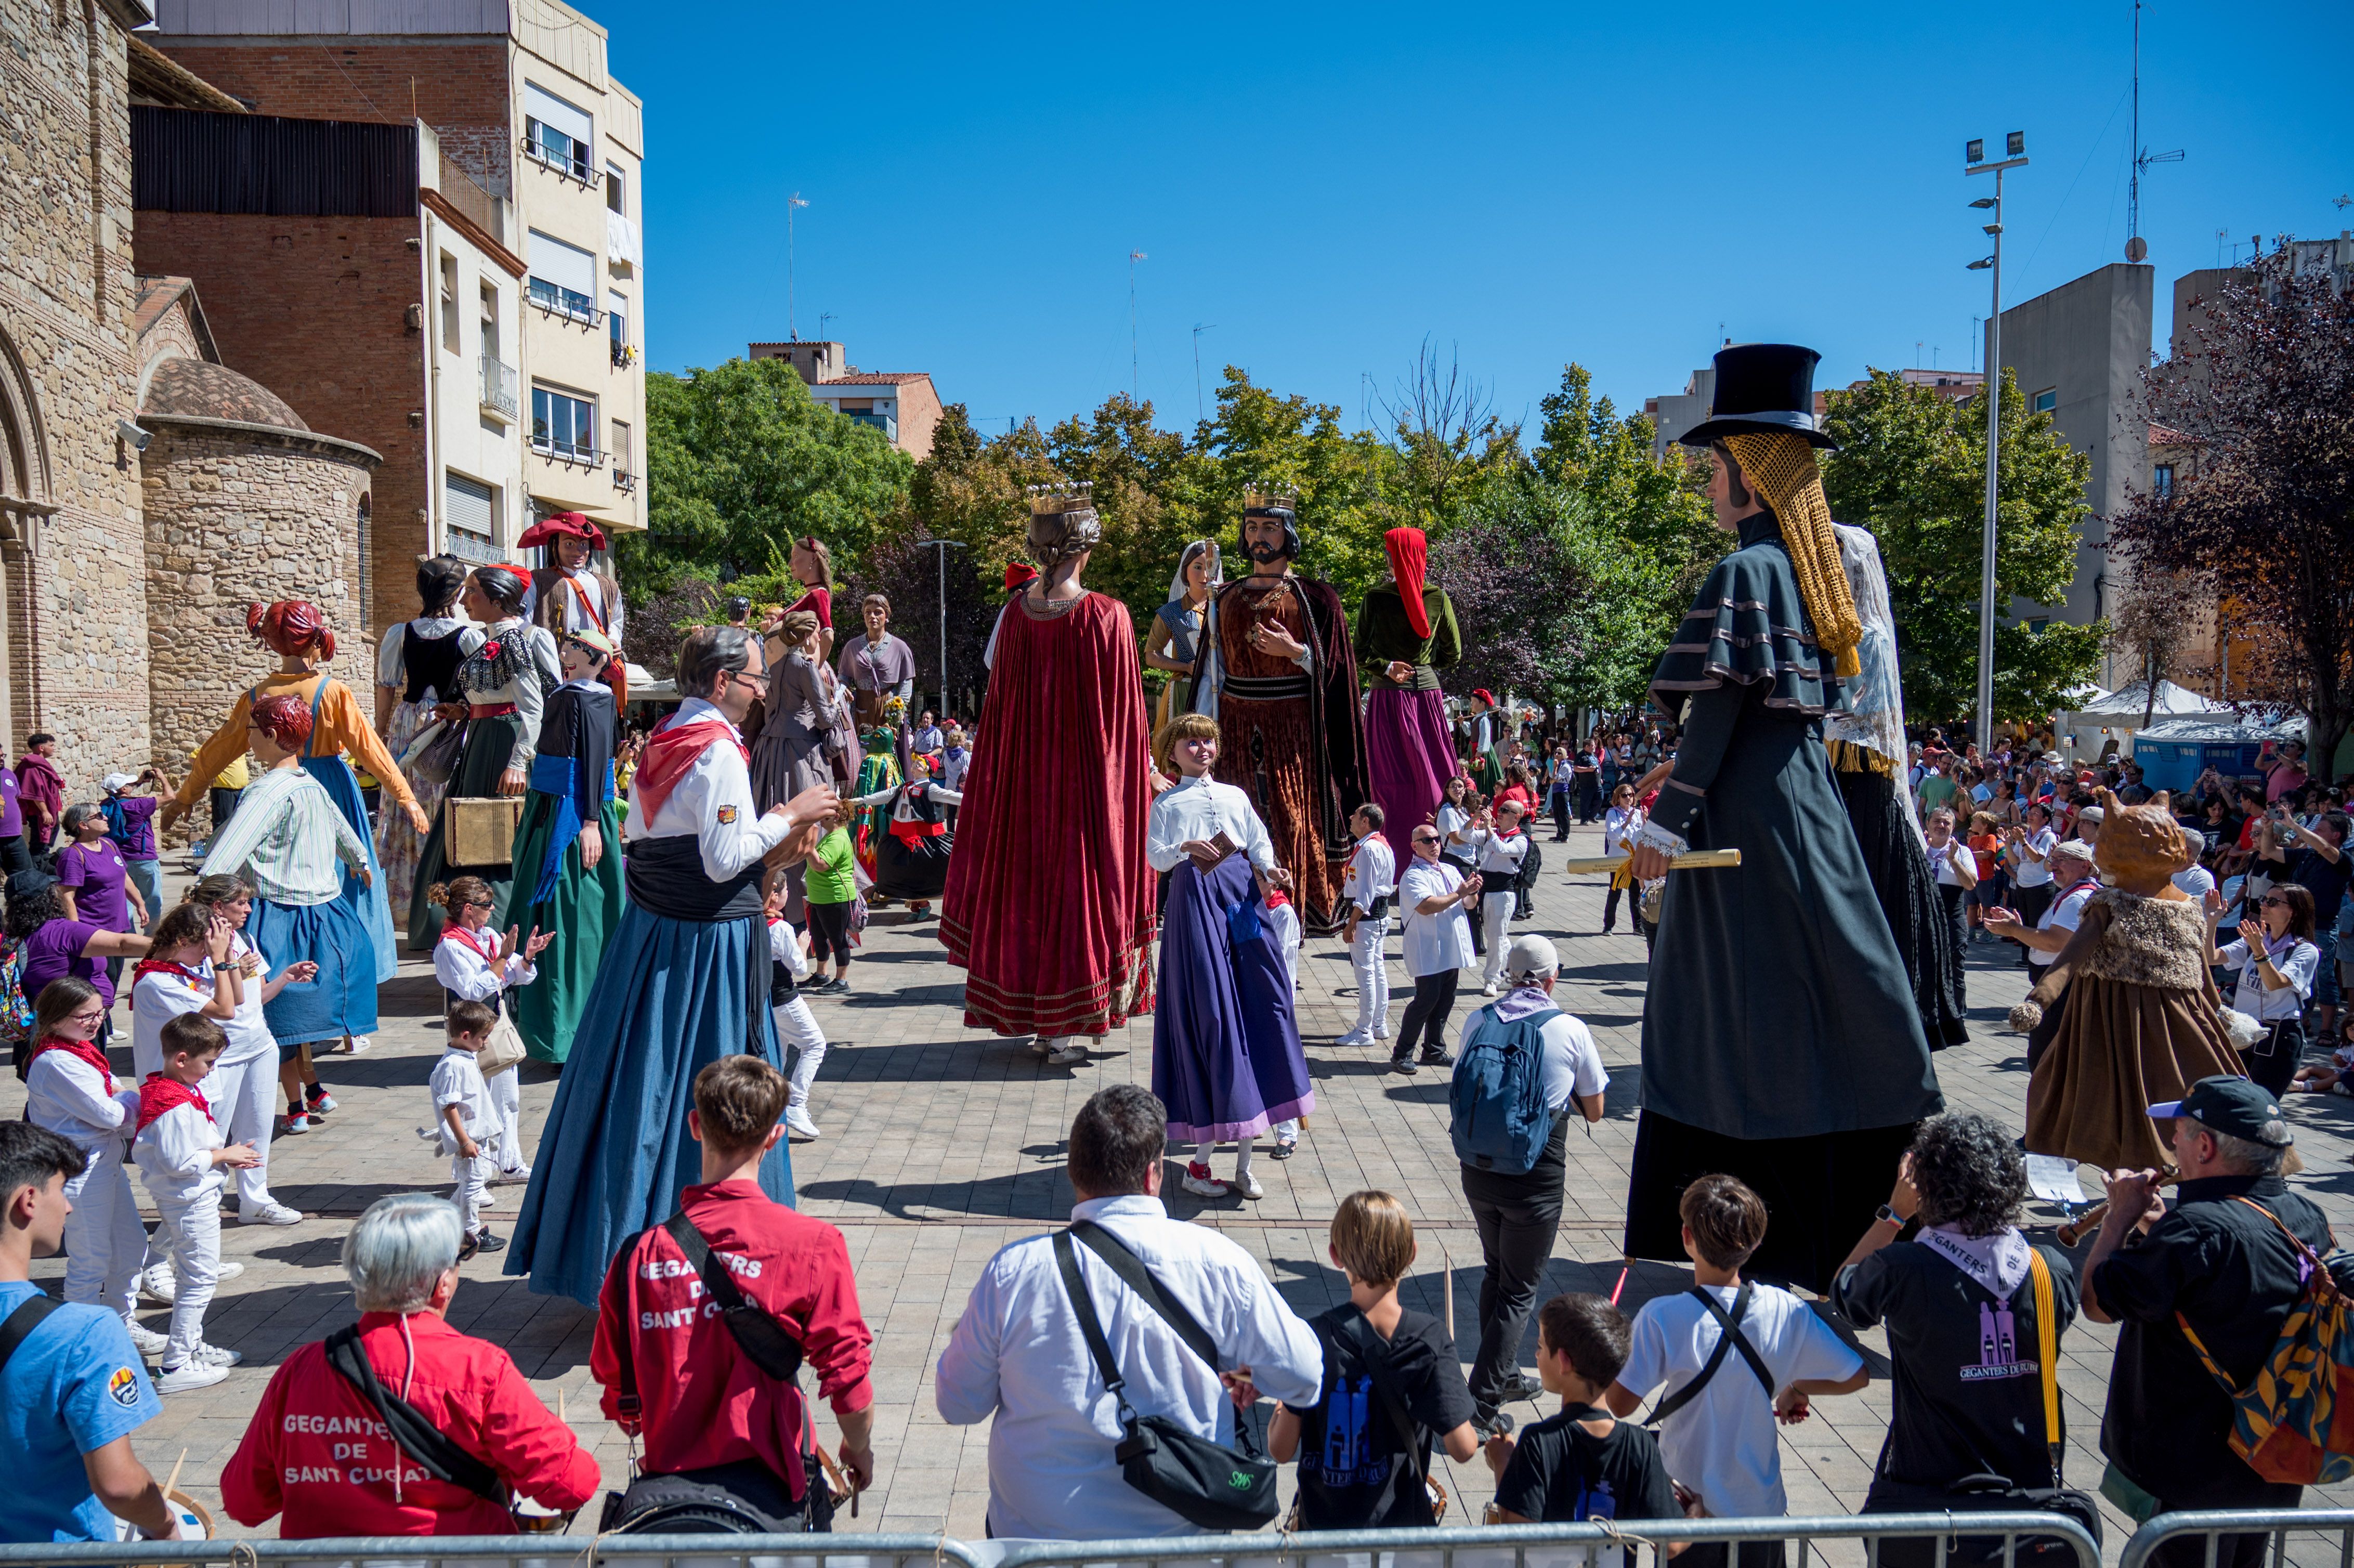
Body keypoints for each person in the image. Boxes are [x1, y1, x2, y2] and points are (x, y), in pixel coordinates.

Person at [1625, 343, 1940, 1295]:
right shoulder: (1803, 573)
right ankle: (1842, 1230)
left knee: (1722, 1016)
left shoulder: (1745, 570)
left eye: (1714, 466)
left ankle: (1733, 1225)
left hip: (1745, 816)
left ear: (1747, 475)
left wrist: (1663, 820)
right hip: (1798, 809)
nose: (1705, 484)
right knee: (1809, 1010)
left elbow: (1714, 706)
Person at [506, 625, 834, 1307]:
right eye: (754, 679)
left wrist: (773, 847)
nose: (762, 689)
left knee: (638, 1089)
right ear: (721, 683)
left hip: (651, 939)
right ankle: (709, 1262)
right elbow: (722, 860)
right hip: (703, 953)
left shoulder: (662, 740)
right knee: (710, 1092)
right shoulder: (716, 751)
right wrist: (789, 815)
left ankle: (614, 1251)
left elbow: (656, 841)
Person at [934, 1084, 1323, 1540]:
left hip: (1036, 1547)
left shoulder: (1014, 1273)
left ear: (1075, 1174)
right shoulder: (1219, 1262)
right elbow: (1305, 1375)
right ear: (1152, 1175)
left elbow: (958, 1404)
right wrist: (1249, 1376)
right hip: (1176, 1548)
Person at [593, 1055, 877, 1530]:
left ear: (694, 1126)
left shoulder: (636, 1257)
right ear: (775, 1137)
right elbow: (850, 1385)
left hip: (671, 1505)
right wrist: (858, 1448)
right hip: (773, 1502)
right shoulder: (814, 1245)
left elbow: (616, 1388)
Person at [222, 1192, 599, 1535]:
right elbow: (570, 1486)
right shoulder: (479, 1368)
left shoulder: (300, 1368)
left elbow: (245, 1503)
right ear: (442, 1284)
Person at [941, 485, 1157, 1053]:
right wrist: (1129, 788)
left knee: (1027, 891)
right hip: (1082, 786)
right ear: (1084, 549)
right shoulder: (1108, 616)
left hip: (1022, 785)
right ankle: (1064, 1021)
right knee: (1077, 890)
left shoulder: (1015, 616)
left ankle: (1041, 1019)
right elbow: (1123, 725)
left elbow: (999, 710)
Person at [2081, 1079, 2327, 1568]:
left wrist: (2118, 1220)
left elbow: (2096, 1303)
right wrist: (2158, 1229)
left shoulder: (2194, 1231)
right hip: (2274, 1448)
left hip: (2191, 1468)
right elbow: (2228, 1275)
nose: (2172, 1144)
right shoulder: (2308, 1216)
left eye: (2178, 1133)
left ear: (2206, 1145)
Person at [1833, 1115, 2082, 1567]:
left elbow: (1846, 1295)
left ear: (1925, 1187)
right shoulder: (2050, 1270)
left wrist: (1894, 1213)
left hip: (1929, 1496)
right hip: (2026, 1499)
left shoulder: (1903, 1268)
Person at [1604, 1174, 1868, 1568]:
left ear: (1686, 1237)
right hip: (1760, 1511)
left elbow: (1620, 1405)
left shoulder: (1662, 1316)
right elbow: (1856, 1376)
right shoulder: (1786, 1309)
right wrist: (1795, 1386)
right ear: (1757, 1243)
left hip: (1685, 1509)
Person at [166, 602, 421, 991]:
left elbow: (217, 749)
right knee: (343, 885)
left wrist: (187, 795)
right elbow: (372, 751)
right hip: (331, 789)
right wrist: (406, 797)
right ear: (316, 642)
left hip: (278, 788)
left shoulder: (257, 695)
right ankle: (347, 979)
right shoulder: (332, 692)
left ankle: (283, 977)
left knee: (280, 879)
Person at [2009, 791, 2245, 1170]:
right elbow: (2072, 956)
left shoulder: (2186, 906)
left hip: (2171, 1016)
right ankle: (2128, 1174)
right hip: (2112, 1012)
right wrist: (2041, 998)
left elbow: (2197, 964)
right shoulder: (2110, 903)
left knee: (2181, 1089)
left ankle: (2183, 1169)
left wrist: (2219, 1012)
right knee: (2107, 1096)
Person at [1185, 487, 1369, 934]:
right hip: (1236, 720)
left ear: (1288, 534)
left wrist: (1299, 652)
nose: (1259, 536)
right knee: (1235, 817)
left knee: (1290, 816)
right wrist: (1200, 734)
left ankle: (1292, 916)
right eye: (1252, 527)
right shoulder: (1224, 597)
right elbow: (1213, 674)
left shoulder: (1316, 598)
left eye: (1269, 527)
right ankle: (1229, 912)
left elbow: (1340, 673)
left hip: (1293, 727)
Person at [1145, 713, 1312, 1196]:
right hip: (1195, 898)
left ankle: (1242, 1163)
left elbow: (1258, 842)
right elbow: (1155, 858)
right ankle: (1203, 1163)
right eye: (1191, 743)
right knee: (1214, 1013)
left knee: (1264, 997)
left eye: (1208, 742)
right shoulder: (1167, 802)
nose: (1202, 749)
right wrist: (1182, 846)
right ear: (1172, 753)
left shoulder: (1236, 796)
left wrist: (1272, 868)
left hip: (1240, 895)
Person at [1454, 934, 1609, 1432]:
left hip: (1477, 1167)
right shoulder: (1568, 1028)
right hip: (1534, 1175)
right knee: (1519, 1290)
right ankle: (1480, 1407)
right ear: (1551, 978)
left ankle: (1502, 1378)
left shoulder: (1479, 1020)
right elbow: (1599, 1111)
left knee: (1496, 1274)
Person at [0, 1122, 180, 1546]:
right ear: (28, 1201)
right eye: (61, 1190)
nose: (67, 1208)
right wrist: (165, 1525)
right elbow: (119, 1485)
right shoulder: (83, 1332)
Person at [1268, 1190, 1479, 1530]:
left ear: (1335, 1256)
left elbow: (1280, 1449)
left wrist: (1283, 1402)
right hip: (1400, 1536)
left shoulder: (1313, 1337)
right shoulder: (1429, 1338)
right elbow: (1464, 1447)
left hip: (1324, 1537)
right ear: (1412, 1254)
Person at [200, 692, 378, 1053]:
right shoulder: (311, 784)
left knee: (272, 1018)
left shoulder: (265, 793)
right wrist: (359, 861)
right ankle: (310, 1083)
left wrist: (202, 892)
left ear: (271, 734)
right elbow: (345, 833)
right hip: (330, 914)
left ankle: (290, 1085)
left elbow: (223, 857)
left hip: (277, 918)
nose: (248, 737)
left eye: (252, 730)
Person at [406, 568, 560, 948]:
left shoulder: (513, 643)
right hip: (481, 740)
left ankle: (498, 931)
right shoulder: (491, 641)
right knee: (469, 836)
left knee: (491, 839)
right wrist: (464, 711)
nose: (463, 600)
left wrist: (516, 761)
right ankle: (468, 929)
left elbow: (533, 706)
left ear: (496, 600)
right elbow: (497, 696)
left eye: (472, 592)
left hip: (501, 745)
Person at [1483, 1295, 1686, 1561]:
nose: (1537, 1354)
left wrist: (1503, 1463)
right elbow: (1670, 1545)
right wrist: (1694, 1515)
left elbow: (1518, 1536)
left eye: (1541, 1346)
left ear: (1564, 1362)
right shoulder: (1641, 1446)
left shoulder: (1540, 1441)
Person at [503, 624, 624, 1066]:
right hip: (553, 810)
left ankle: (568, 1033)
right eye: (566, 647)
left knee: (572, 916)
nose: (565, 653)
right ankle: (559, 1030)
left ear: (594, 658)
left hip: (570, 817)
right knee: (557, 914)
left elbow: (593, 761)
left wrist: (590, 822)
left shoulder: (586, 696)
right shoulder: (570, 694)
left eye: (574, 648)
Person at [168, 875, 312, 1232]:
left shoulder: (243, 938)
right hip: (221, 1054)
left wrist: (285, 978)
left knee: (258, 1128)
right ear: (218, 907)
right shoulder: (194, 947)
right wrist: (228, 970)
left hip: (259, 1046)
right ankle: (204, 1204)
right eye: (241, 903)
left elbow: (256, 997)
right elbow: (205, 1003)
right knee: (213, 1134)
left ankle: (256, 1200)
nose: (248, 909)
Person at [21, 978, 153, 1354]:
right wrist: (130, 1101)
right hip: (81, 1171)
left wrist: (122, 1102)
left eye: (101, 1013)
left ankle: (120, 1322)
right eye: (85, 1016)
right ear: (57, 1018)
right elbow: (110, 1113)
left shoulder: (80, 1049)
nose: (96, 1022)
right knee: (91, 1259)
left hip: (104, 1163)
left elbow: (113, 1104)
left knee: (130, 1246)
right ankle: (80, 1340)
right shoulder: (55, 1061)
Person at [130, 1014, 254, 1393]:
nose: (212, 1071)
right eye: (209, 1063)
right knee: (198, 1280)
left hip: (190, 1197)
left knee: (195, 1277)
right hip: (189, 1200)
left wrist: (221, 1153)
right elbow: (179, 1163)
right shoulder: (172, 1104)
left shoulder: (169, 1090)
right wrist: (222, 1155)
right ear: (182, 1059)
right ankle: (177, 1364)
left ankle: (189, 1344)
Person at [374, 556, 475, 921]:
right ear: (458, 592)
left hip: (408, 724)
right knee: (443, 807)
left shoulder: (400, 633)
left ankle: (407, 903)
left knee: (405, 806)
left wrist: (380, 734)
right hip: (449, 727)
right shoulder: (469, 637)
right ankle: (442, 901)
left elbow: (387, 688)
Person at [430, 873, 550, 1183]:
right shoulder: (450, 947)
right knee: (474, 1108)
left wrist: (526, 957)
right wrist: (503, 960)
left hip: (494, 1029)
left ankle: (509, 1164)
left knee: (509, 1100)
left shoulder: (489, 936)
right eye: (486, 904)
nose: (492, 908)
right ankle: (473, 1178)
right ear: (468, 909)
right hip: (468, 1036)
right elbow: (472, 991)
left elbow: (513, 977)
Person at [1355, 526, 1462, 848]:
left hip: (1388, 698)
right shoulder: (1437, 597)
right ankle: (1439, 855)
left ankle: (1389, 857)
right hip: (1426, 699)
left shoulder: (1376, 598)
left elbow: (1359, 651)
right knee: (1435, 777)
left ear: (1394, 559)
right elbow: (1453, 654)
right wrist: (1424, 668)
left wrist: (1388, 667)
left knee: (1387, 781)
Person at [2204, 881, 2320, 1097]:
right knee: (2231, 1101)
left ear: (2293, 912)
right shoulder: (2256, 939)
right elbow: (2211, 958)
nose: (2264, 905)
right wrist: (2212, 922)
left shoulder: (2305, 950)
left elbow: (2275, 983)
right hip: (2244, 1030)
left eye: (2273, 902)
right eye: (2264, 900)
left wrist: (2259, 950)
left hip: (2278, 1036)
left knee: (2258, 1107)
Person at [7, 870, 148, 1041]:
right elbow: (122, 945)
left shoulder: (13, 937)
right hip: (76, 1029)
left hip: (37, 1026)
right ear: (48, 899)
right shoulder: (61, 932)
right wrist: (171, 946)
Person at [1394, 816, 1482, 1075]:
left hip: (1451, 947)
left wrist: (1473, 890)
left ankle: (1434, 1049)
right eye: (1427, 840)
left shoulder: (1450, 869)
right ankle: (1402, 1053)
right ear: (1414, 846)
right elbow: (1426, 906)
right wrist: (1461, 893)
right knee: (1426, 1000)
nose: (1434, 844)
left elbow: (1469, 905)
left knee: (1445, 1000)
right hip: (1429, 948)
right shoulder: (1412, 876)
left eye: (1436, 839)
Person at [521, 511, 626, 710]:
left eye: (583, 545)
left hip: (595, 674)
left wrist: (614, 641)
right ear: (555, 547)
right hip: (554, 672)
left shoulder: (607, 585)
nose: (577, 551)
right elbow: (523, 623)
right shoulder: (538, 580)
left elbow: (616, 621)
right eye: (569, 544)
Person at [429, 998, 508, 1256]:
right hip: (469, 1138)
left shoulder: (466, 1056)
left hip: (477, 1135)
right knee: (474, 1183)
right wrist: (463, 1141)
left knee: (476, 1180)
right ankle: (471, 1233)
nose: (486, 1042)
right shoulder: (452, 1066)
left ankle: (447, 1221)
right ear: (466, 1035)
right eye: (484, 1037)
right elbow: (449, 1106)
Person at [749, 608, 846, 815]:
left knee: (772, 809)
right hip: (800, 751)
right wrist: (836, 706)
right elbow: (826, 719)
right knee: (807, 813)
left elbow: (771, 714)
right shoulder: (805, 667)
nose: (819, 639)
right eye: (815, 635)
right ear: (805, 637)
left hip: (770, 748)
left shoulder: (775, 667)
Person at [1985, 839, 2099, 1004]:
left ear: (2085, 866)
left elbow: (2055, 942)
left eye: (2062, 860)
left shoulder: (2077, 898)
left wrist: (2014, 930)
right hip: (2055, 982)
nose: (2053, 866)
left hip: (2060, 987)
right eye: (2053, 859)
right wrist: (2020, 929)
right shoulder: (2071, 892)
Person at [849, 753, 960, 920]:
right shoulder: (904, 787)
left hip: (924, 841)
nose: (915, 766)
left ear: (928, 769)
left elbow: (951, 796)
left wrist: (975, 798)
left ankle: (923, 905)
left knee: (920, 873)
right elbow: (886, 795)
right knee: (900, 871)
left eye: (919, 764)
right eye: (914, 763)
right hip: (900, 838)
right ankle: (915, 906)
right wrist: (863, 800)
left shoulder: (931, 789)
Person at [763, 877, 829, 1139]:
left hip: (765, 1001)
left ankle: (770, 1107)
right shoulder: (780, 929)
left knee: (777, 1056)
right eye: (787, 889)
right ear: (775, 896)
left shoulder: (753, 922)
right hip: (785, 999)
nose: (789, 893)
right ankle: (795, 1103)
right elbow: (800, 970)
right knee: (815, 1044)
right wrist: (802, 948)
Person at [1337, 802, 1397, 1048]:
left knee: (1366, 975)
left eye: (1356, 814)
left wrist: (1352, 924)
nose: (1350, 817)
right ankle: (1379, 1024)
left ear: (1365, 822)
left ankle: (1364, 1029)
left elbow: (1365, 894)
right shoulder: (1380, 845)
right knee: (1377, 969)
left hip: (1367, 917)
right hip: (1377, 917)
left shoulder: (1370, 850)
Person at [838, 592, 918, 777]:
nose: (872, 617)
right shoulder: (853, 647)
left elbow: (906, 683)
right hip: (861, 708)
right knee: (861, 758)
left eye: (878, 612)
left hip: (888, 708)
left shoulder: (900, 647)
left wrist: (895, 714)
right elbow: (843, 678)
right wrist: (845, 692)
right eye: (868, 613)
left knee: (888, 761)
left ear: (887, 617)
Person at [55, 804, 146, 965]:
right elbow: (66, 897)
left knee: (116, 974)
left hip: (118, 927)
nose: (105, 818)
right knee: (106, 977)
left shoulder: (109, 845)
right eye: (98, 816)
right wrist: (76, 933)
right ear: (83, 825)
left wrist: (140, 904)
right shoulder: (73, 856)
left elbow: (124, 877)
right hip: (94, 931)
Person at [1146, 539, 1218, 730]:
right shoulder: (1171, 612)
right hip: (1183, 691)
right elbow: (1151, 656)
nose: (1204, 574)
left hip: (1219, 690)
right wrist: (1185, 666)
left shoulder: (1223, 609)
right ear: (1185, 571)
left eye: (1210, 567)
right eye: (1197, 567)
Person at [1465, 800, 1532, 996]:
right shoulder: (1491, 833)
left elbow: (1502, 850)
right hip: (1486, 890)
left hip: (1504, 892)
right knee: (1493, 934)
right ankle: (1519, 970)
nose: (1500, 813)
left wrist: (1488, 829)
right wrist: (1475, 819)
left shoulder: (1520, 840)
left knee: (1496, 937)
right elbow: (1464, 835)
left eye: (1505, 811)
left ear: (1517, 817)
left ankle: (1491, 980)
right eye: (1499, 809)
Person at [1922, 806, 1975, 1030]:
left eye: (1947, 823)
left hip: (1951, 915)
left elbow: (1971, 883)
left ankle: (1956, 1015)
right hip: (1924, 914)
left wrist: (1953, 860)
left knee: (1955, 965)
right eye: (1937, 821)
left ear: (1954, 828)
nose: (1941, 826)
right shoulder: (1919, 847)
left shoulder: (1962, 852)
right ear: (1927, 824)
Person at [99, 769, 168, 932]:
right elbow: (170, 797)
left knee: (125, 901)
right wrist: (162, 778)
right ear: (124, 789)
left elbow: (119, 795)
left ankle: (129, 937)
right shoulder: (139, 806)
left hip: (120, 860)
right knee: (153, 900)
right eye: (128, 785)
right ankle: (151, 937)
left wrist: (138, 783)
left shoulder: (105, 806)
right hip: (144, 858)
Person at [801, 809, 858, 994]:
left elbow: (820, 864)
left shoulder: (838, 839)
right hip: (821, 897)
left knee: (838, 939)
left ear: (836, 818)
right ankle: (821, 974)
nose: (820, 822)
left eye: (824, 818)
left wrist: (808, 848)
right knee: (819, 937)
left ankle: (842, 981)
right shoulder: (832, 836)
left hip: (835, 898)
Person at [1601, 783, 1642, 935]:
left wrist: (1645, 821)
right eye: (1624, 795)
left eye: (1631, 795)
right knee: (1615, 893)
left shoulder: (1637, 813)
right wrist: (1626, 822)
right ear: (1618, 797)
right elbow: (1613, 835)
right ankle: (1608, 926)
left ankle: (1638, 926)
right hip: (1618, 861)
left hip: (1634, 860)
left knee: (1635, 893)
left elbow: (1643, 836)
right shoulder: (1613, 813)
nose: (1628, 798)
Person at [17, 733, 62, 856]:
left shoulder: (41, 764)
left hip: (49, 810)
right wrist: (44, 811)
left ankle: (43, 865)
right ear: (41, 748)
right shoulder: (30, 766)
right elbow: (33, 791)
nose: (54, 748)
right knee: (39, 845)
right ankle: (37, 870)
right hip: (39, 812)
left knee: (47, 842)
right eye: (51, 745)